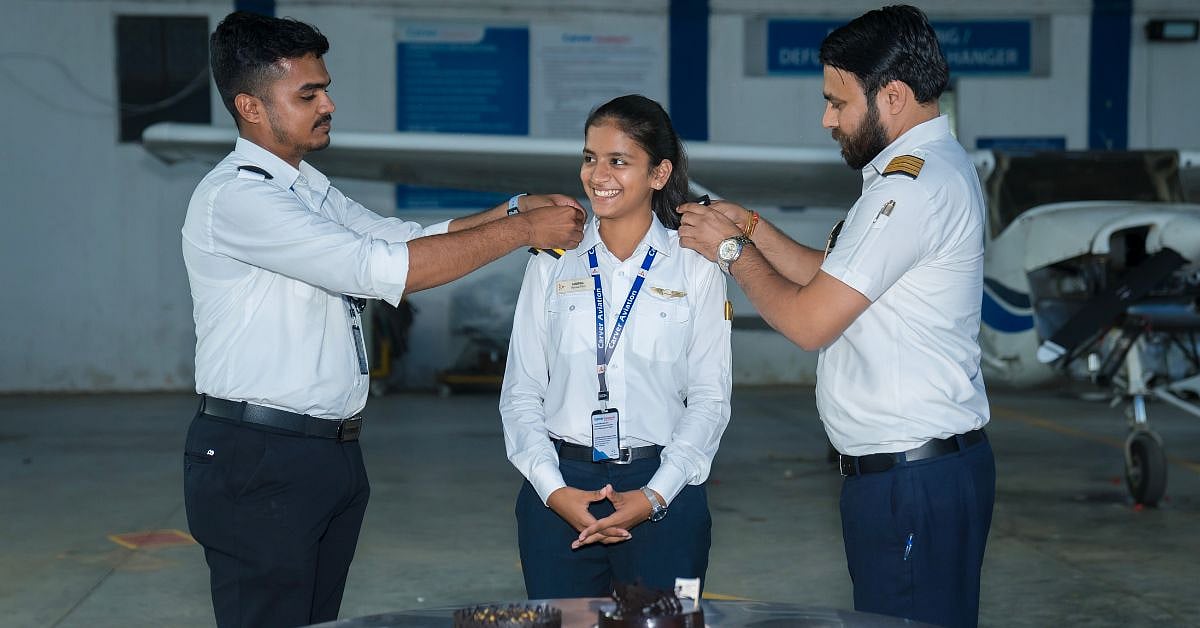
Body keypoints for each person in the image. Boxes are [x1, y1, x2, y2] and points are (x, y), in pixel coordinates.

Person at [181, 11, 584, 628]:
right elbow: (379, 269)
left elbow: (401, 238)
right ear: (252, 107)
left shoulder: (304, 186)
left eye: (325, 88)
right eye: (308, 94)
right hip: (260, 456)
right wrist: (524, 230)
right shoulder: (240, 196)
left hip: (325, 454)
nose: (329, 104)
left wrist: (509, 208)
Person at [676, 6, 994, 627]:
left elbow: (809, 320)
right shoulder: (922, 172)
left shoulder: (911, 189)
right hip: (913, 476)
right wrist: (754, 229)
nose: (827, 120)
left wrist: (731, 252)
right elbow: (832, 275)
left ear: (893, 96)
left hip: (911, 481)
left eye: (837, 102)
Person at [499, 94, 732, 598]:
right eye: (590, 158)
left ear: (659, 172)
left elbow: (710, 398)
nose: (597, 174)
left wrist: (655, 494)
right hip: (561, 486)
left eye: (618, 161)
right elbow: (521, 390)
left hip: (663, 487)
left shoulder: (695, 265)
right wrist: (552, 487)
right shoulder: (552, 260)